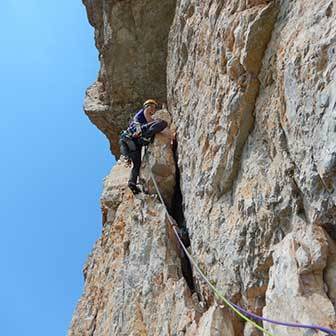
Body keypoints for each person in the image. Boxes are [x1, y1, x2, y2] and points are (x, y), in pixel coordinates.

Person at [119, 99, 172, 194]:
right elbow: (149, 120)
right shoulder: (146, 109)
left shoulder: (136, 119)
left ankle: (132, 182)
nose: (154, 110)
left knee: (137, 165)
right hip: (137, 136)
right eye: (153, 107)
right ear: (149, 105)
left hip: (131, 142)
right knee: (162, 123)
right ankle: (146, 137)